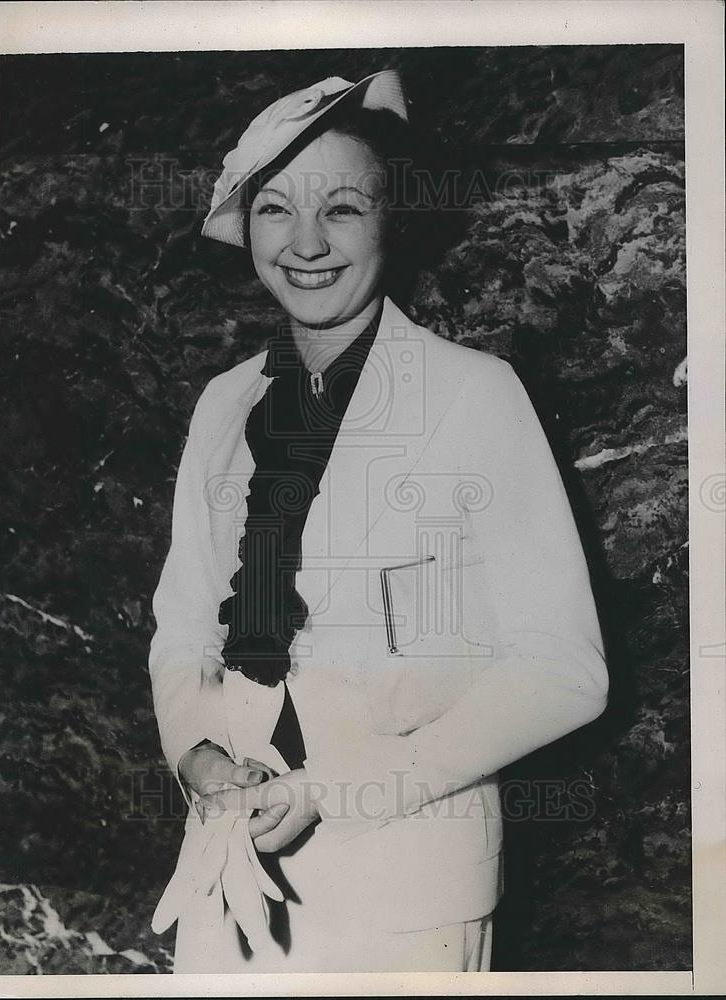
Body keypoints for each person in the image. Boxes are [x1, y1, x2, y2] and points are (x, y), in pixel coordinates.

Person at [148, 69, 609, 973]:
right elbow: (183, 626)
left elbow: (566, 670)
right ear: (246, 229)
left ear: (389, 222)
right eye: (277, 209)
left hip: (410, 899)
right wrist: (196, 753)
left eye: (344, 209)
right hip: (225, 876)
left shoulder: (476, 395)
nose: (308, 244)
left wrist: (339, 790)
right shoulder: (222, 404)